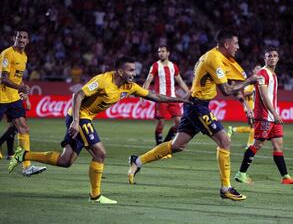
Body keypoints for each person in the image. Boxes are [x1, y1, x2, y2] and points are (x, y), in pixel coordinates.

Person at [8, 56, 189, 204]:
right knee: (100, 153)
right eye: (131, 70)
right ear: (120, 71)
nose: (135, 73)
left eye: (135, 70)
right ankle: (95, 196)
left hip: (83, 118)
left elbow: (154, 96)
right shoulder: (103, 80)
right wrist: (76, 122)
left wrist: (178, 100)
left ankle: (23, 155)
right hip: (78, 117)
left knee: (66, 161)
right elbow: (78, 95)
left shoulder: (130, 87)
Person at [128, 29, 258, 201]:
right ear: (227, 44)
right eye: (236, 43)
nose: (238, 47)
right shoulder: (214, 59)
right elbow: (226, 90)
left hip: (193, 104)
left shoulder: (211, 56)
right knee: (224, 141)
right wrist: (249, 81)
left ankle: (137, 162)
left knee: (177, 145)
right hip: (198, 107)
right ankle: (226, 187)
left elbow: (202, 82)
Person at [234, 47, 293, 184]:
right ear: (264, 58)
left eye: (275, 55)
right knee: (257, 144)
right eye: (269, 55)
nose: (272, 57)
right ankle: (240, 174)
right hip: (265, 115)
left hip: (272, 116)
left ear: (278, 58)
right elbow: (264, 96)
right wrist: (275, 113)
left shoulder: (274, 75)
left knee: (278, 145)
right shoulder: (262, 74)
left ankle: (285, 177)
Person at [0, 29, 46, 176]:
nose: (21, 39)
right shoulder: (7, 53)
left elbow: (17, 79)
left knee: (24, 128)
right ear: (15, 38)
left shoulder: (24, 57)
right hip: (1, 96)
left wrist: (25, 95)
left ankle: (27, 167)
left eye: (25, 37)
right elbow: (3, 78)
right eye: (19, 36)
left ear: (28, 41)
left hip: (13, 98)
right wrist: (20, 87)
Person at [143, 45, 189, 147]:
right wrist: (142, 94)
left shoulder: (173, 66)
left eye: (163, 51)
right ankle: (158, 145)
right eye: (159, 52)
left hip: (173, 98)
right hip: (160, 99)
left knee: (179, 123)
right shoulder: (155, 66)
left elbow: (180, 81)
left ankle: (165, 145)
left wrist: (188, 93)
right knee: (161, 124)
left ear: (168, 53)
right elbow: (148, 80)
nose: (161, 53)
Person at [227, 65, 262, 149]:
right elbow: (245, 93)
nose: (259, 70)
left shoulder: (258, 83)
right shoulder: (249, 83)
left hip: (255, 108)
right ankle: (249, 145)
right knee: (254, 127)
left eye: (260, 69)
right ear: (253, 71)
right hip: (249, 108)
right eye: (257, 69)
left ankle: (233, 129)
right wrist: (254, 91)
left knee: (252, 128)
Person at [0, 95, 31, 160]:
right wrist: (27, 101)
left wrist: (27, 101)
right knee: (17, 126)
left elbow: (24, 88)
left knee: (13, 126)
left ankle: (10, 153)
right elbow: (21, 88)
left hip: (13, 101)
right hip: (11, 102)